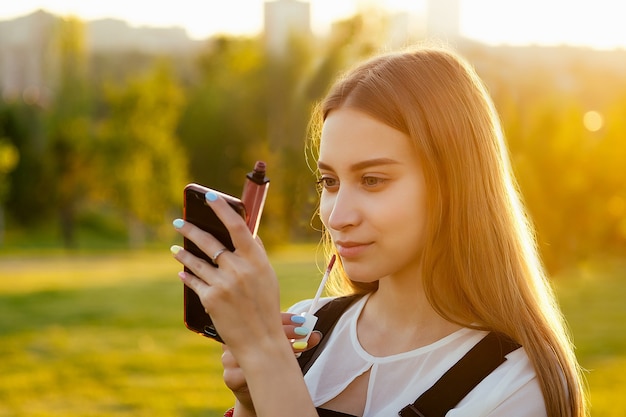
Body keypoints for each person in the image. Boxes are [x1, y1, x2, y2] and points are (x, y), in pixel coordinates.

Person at [170, 45, 588, 417]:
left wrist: (266, 359)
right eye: (329, 182)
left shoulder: (513, 385)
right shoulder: (304, 326)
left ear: (454, 186)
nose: (336, 216)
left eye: (372, 180)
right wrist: (250, 399)